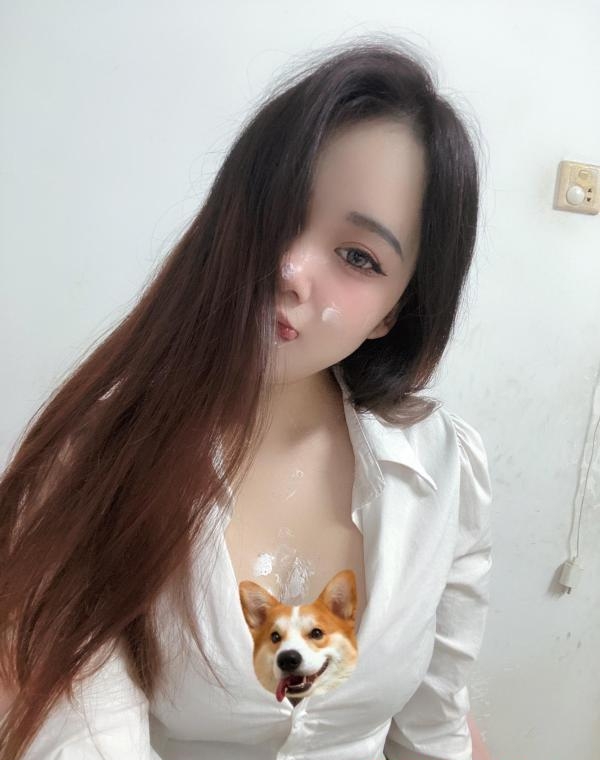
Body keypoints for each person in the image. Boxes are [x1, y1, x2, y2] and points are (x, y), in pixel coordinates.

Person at [0, 36, 493, 760]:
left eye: (357, 257)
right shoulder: (95, 464)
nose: (288, 266)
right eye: (277, 210)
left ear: (394, 312)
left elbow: (438, 729)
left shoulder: (445, 465)